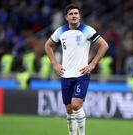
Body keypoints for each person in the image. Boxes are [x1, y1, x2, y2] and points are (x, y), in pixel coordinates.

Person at [44, 4, 108, 135]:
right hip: (66, 75)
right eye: (71, 14)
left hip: (81, 74)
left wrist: (93, 63)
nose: (74, 16)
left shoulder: (87, 30)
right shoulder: (61, 31)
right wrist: (55, 64)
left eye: (76, 13)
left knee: (76, 105)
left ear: (79, 16)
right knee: (69, 109)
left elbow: (104, 45)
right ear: (66, 17)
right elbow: (47, 45)